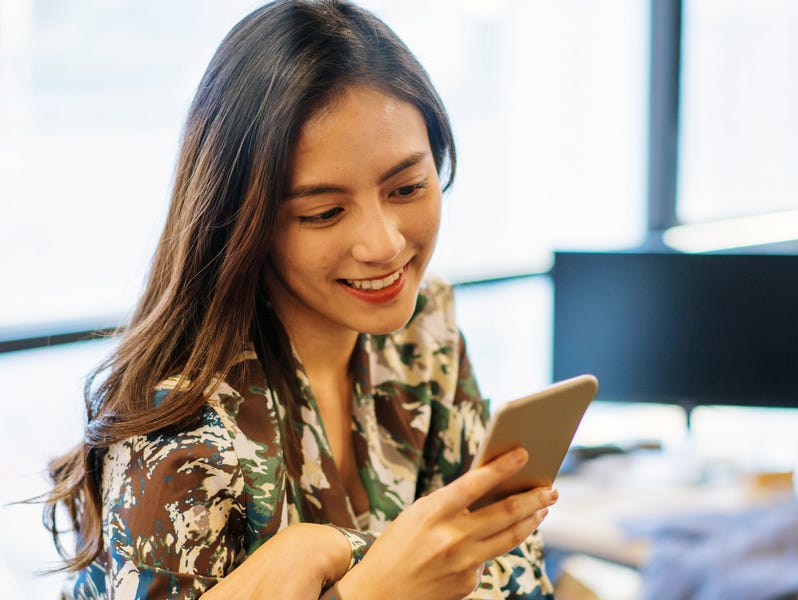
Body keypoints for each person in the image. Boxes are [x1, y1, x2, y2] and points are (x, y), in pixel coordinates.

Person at [43, 1, 558, 598]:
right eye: (324, 212)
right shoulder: (181, 431)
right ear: (244, 221)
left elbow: (513, 568)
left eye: (408, 187)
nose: (385, 245)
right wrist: (368, 589)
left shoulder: (425, 324)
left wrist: (329, 553)